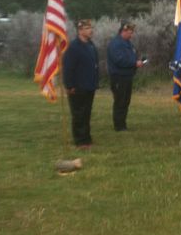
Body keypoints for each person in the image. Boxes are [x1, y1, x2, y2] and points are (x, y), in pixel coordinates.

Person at [62, 19, 99, 149]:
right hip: (77, 86)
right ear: (80, 30)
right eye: (88, 28)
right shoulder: (74, 47)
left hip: (89, 85)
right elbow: (68, 68)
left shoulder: (90, 45)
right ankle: (80, 141)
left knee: (87, 113)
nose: (91, 30)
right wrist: (69, 85)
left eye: (91, 28)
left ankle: (87, 138)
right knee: (78, 114)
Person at [107, 21, 145, 131]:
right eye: (129, 32)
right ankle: (119, 125)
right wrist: (134, 63)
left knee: (126, 101)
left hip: (127, 76)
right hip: (119, 77)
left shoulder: (128, 43)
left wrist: (138, 62)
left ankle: (122, 123)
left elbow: (131, 56)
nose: (131, 35)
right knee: (120, 101)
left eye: (132, 32)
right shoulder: (116, 44)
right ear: (123, 31)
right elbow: (119, 60)